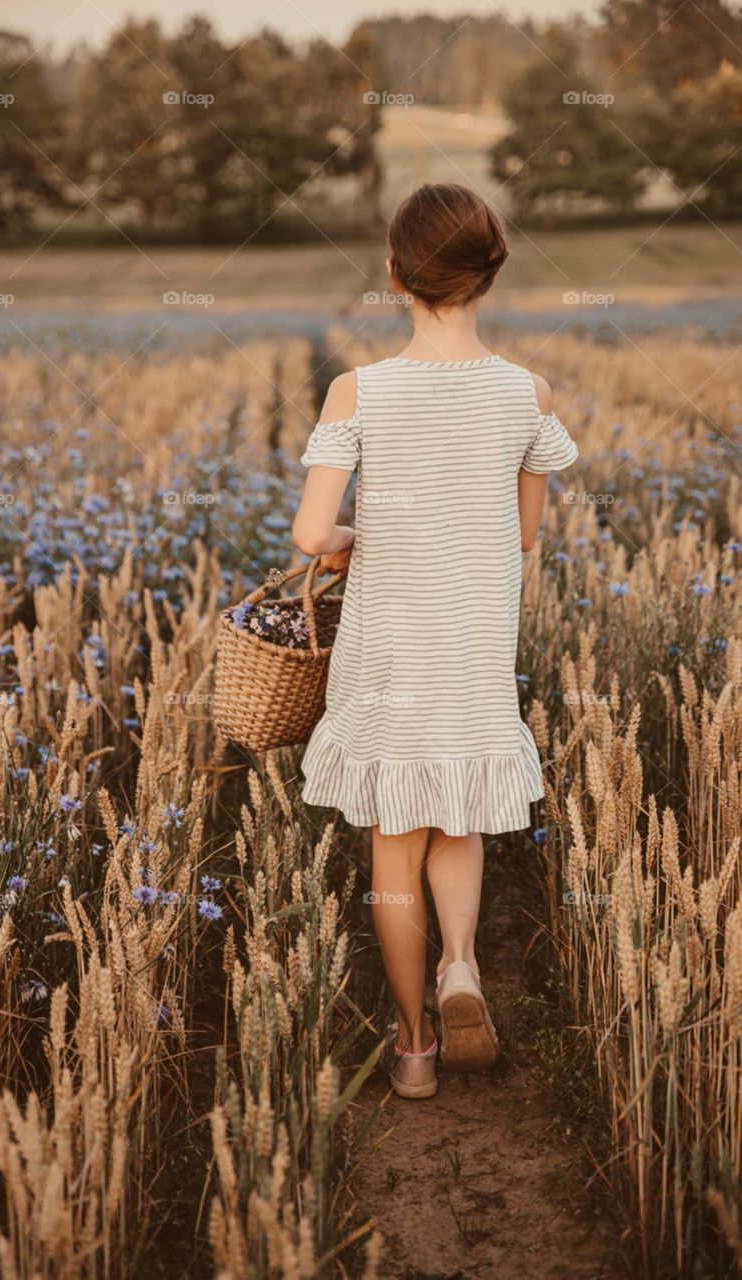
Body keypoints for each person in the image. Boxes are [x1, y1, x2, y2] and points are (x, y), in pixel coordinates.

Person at [292, 183, 578, 1099]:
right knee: (460, 817)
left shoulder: (359, 390)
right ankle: (462, 964)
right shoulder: (525, 393)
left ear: (394, 275)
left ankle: (413, 1045)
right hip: (473, 645)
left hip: (391, 653)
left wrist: (351, 541)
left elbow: (310, 533)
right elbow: (525, 534)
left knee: (394, 837)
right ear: (489, 275)